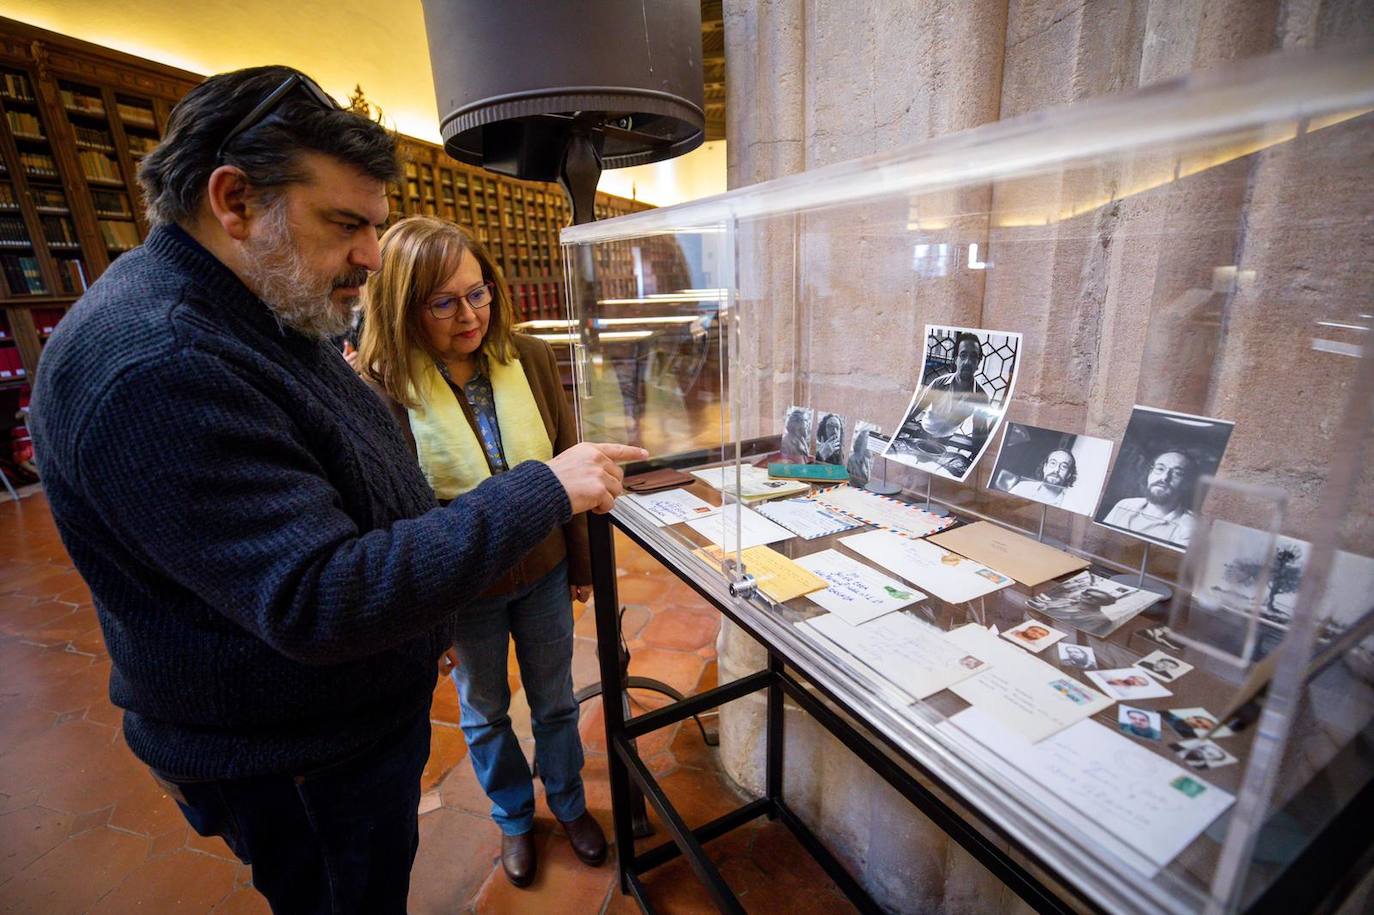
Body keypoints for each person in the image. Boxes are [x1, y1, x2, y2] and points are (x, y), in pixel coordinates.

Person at [28, 66, 644, 914]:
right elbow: (318, 594)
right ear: (235, 200)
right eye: (346, 223)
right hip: (295, 760)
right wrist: (539, 490)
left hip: (337, 729)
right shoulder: (161, 363)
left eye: (375, 225)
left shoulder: (264, 303)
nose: (369, 254)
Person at [356, 216, 603, 887]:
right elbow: (398, 515)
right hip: (463, 589)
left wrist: (579, 563)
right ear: (403, 305)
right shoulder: (384, 389)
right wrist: (425, 618)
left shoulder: (528, 355)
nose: (470, 314)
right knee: (485, 709)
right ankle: (515, 817)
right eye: (444, 301)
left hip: (545, 564)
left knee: (555, 698)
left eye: (479, 292)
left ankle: (570, 802)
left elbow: (566, 458)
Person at [891, 332, 992, 475]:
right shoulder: (938, 383)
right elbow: (914, 410)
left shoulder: (981, 398)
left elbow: (979, 434)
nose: (968, 362)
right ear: (955, 359)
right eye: (963, 355)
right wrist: (893, 435)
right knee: (908, 472)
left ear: (979, 362)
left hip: (945, 441)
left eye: (974, 357)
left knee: (930, 475)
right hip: (921, 434)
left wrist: (976, 467)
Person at [1102, 449, 1199, 547]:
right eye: (1160, 468)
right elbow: (1101, 542)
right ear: (1150, 473)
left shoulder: (1189, 527)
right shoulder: (1124, 505)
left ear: (1188, 483)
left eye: (1177, 473)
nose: (1164, 477)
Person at [1008, 448, 1076, 506]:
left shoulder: (1068, 504)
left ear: (1068, 475)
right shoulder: (1022, 487)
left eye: (1063, 466)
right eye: (1053, 463)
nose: (1056, 470)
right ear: (1045, 467)